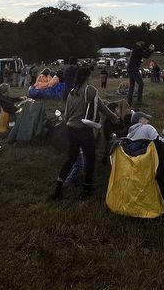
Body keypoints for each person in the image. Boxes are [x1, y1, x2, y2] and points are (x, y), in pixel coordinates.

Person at [50, 67, 119, 200]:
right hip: (84, 130)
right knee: (90, 159)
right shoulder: (90, 90)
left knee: (71, 158)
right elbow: (102, 108)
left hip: (71, 129)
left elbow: (66, 115)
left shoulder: (72, 92)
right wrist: (115, 118)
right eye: (91, 75)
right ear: (87, 76)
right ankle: (86, 189)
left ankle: (58, 187)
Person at [126, 41, 154, 106]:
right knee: (141, 84)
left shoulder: (136, 48)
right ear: (139, 43)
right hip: (134, 69)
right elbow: (146, 55)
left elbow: (143, 53)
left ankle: (129, 101)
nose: (143, 44)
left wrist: (149, 49)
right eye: (142, 43)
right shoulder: (138, 49)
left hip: (130, 68)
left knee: (132, 86)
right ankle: (139, 100)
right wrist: (151, 50)